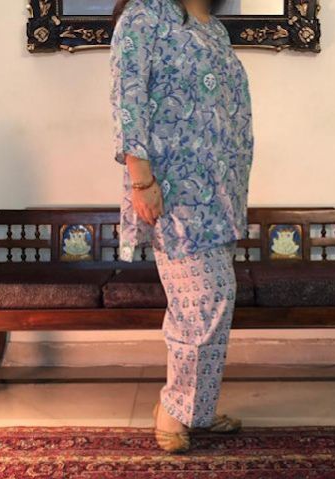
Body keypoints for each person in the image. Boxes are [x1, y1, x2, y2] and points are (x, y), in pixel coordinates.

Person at [110, 0, 254, 453]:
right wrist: (141, 178)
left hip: (221, 193)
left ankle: (197, 410)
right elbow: (128, 99)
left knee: (208, 304)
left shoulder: (215, 29)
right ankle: (173, 410)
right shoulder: (144, 16)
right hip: (174, 190)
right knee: (206, 300)